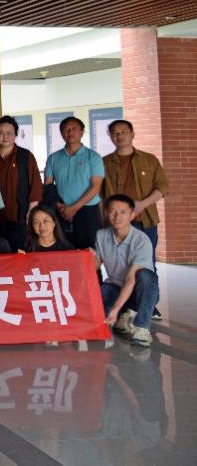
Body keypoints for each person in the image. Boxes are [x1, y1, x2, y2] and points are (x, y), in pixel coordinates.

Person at [103, 118, 168, 319]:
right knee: (119, 266)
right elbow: (100, 194)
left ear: (132, 134)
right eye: (115, 132)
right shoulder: (104, 162)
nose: (119, 135)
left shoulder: (149, 160)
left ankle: (150, 304)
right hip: (118, 225)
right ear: (110, 136)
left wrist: (142, 204)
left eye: (124, 131)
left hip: (145, 221)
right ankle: (123, 307)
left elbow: (163, 187)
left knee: (147, 265)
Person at [93, 194, 158, 347]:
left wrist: (115, 308)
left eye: (123, 212)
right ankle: (123, 313)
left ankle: (142, 328)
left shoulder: (141, 240)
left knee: (146, 276)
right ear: (106, 213)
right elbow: (96, 266)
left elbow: (130, 279)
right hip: (115, 287)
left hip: (139, 292)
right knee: (99, 294)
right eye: (112, 211)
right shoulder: (101, 235)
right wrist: (89, 257)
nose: (117, 216)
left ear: (132, 215)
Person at [44, 116, 105, 250]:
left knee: (89, 252)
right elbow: (48, 186)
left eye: (74, 128)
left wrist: (74, 208)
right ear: (61, 134)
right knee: (64, 251)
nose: (70, 132)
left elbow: (96, 186)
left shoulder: (93, 157)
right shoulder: (53, 158)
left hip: (88, 211)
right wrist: (58, 205)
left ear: (82, 132)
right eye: (66, 130)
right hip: (61, 211)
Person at [0, 115, 43, 252]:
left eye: (9, 133)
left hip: (20, 218)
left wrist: (31, 212)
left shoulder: (25, 156)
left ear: (16, 134)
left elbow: (35, 186)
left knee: (20, 256)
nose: (5, 136)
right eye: (0, 133)